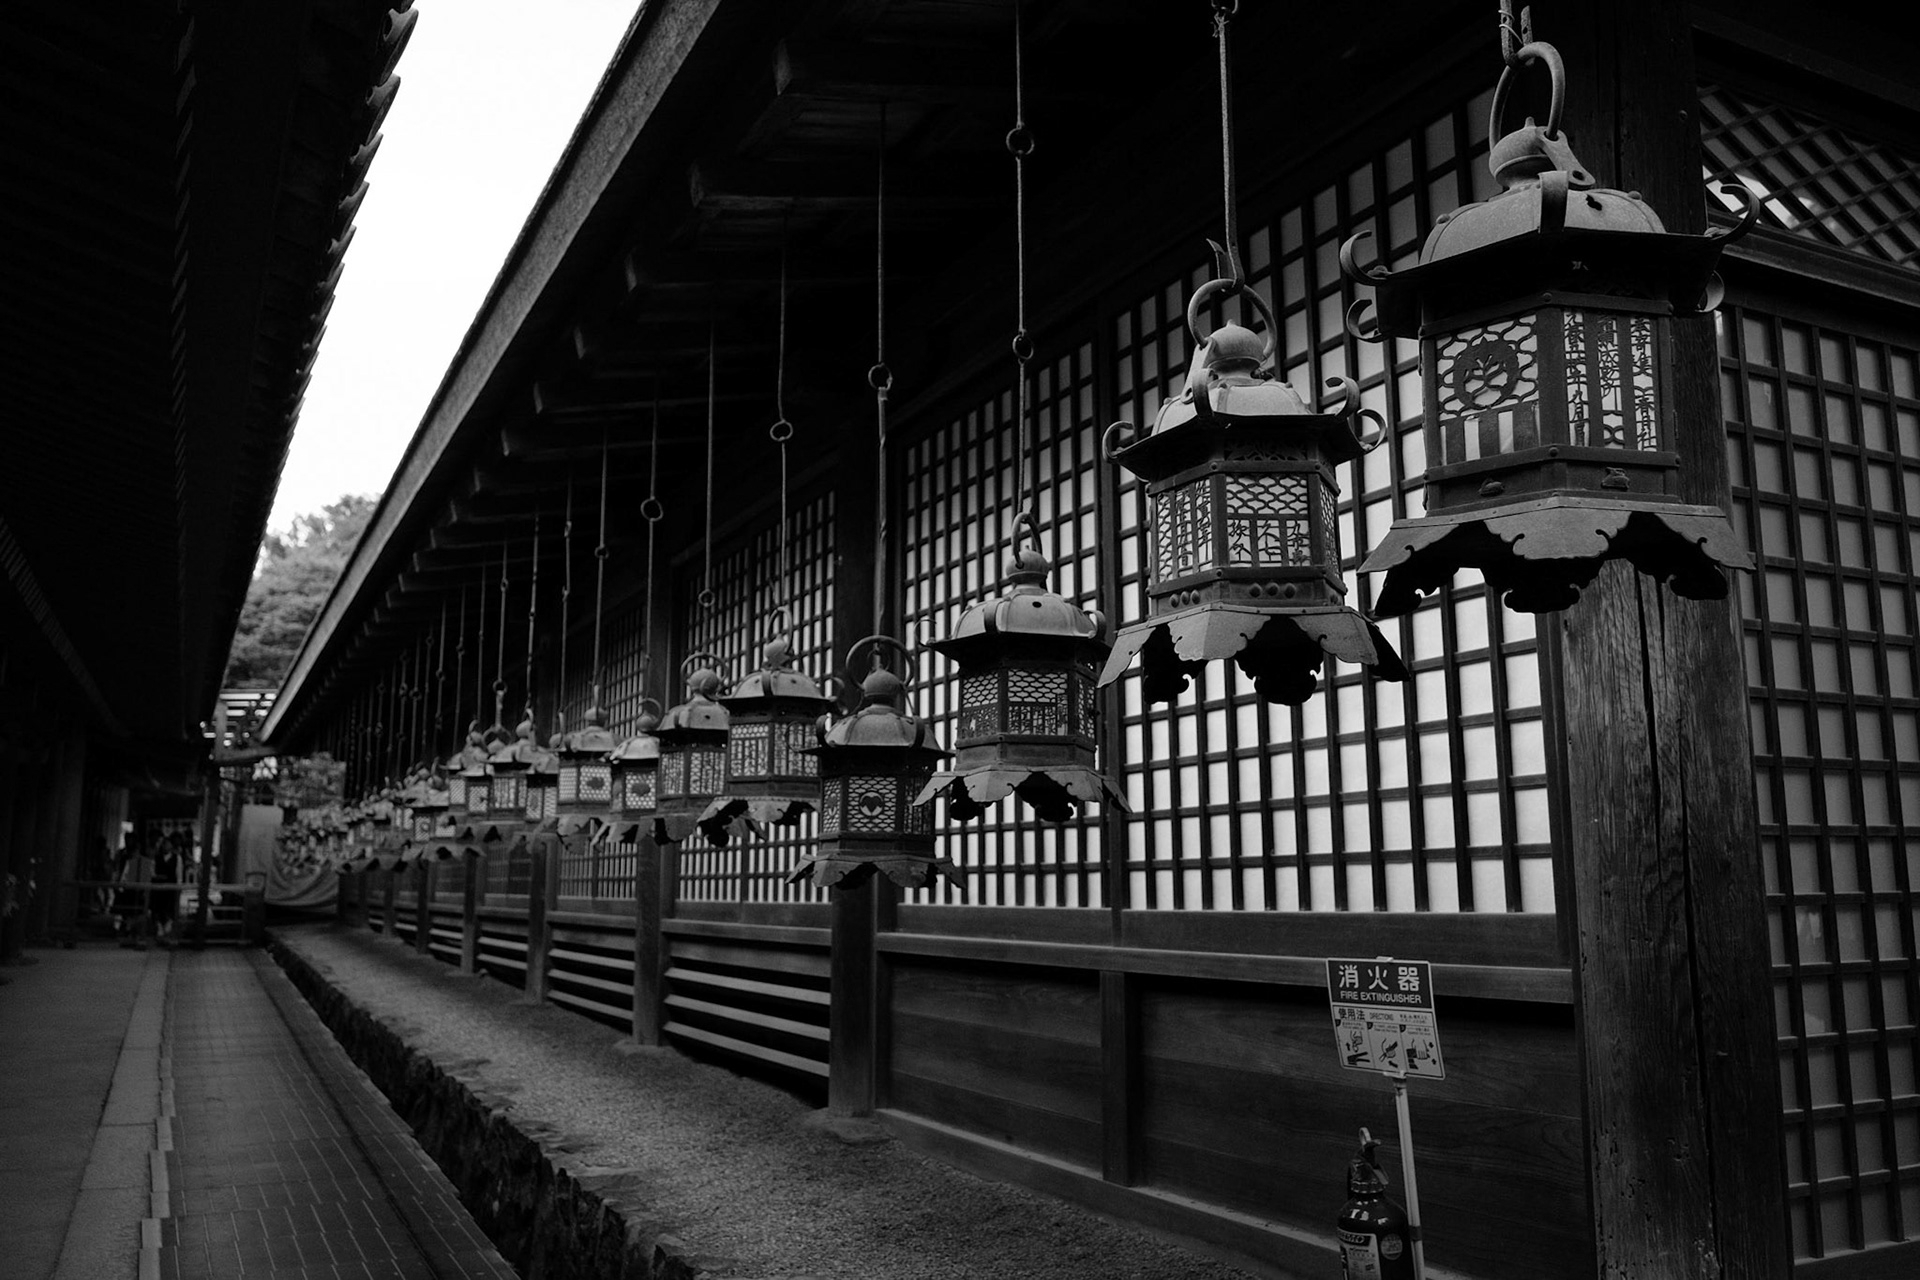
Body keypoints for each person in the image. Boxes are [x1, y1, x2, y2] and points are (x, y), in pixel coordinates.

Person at [150, 834, 181, 946]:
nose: (166, 846)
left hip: (171, 888)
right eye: (164, 844)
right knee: (157, 908)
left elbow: (179, 874)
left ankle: (167, 931)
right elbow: (152, 872)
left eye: (168, 844)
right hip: (158, 888)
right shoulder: (156, 858)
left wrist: (178, 888)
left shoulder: (177, 858)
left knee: (169, 909)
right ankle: (159, 930)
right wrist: (156, 877)